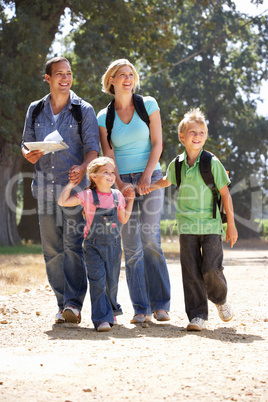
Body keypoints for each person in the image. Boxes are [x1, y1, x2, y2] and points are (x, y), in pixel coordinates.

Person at [21, 56, 100, 324]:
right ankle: (60, 302)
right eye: (59, 74)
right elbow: (25, 143)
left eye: (69, 74)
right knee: (52, 249)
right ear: (48, 78)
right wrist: (27, 154)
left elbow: (93, 149)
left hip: (73, 190)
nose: (65, 79)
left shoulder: (83, 109)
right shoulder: (35, 109)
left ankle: (73, 304)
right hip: (44, 189)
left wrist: (83, 166)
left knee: (73, 245)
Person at [149, 108, 238, 331]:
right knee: (190, 272)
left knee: (210, 268)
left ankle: (220, 300)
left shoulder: (212, 163)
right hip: (186, 226)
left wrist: (231, 226)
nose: (197, 136)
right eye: (192, 132)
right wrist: (146, 186)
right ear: (182, 136)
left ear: (205, 136)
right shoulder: (177, 164)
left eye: (201, 132)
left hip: (211, 226)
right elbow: (166, 181)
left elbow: (225, 194)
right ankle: (197, 315)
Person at [97, 59, 171, 324]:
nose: (128, 78)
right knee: (131, 247)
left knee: (150, 241)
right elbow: (108, 155)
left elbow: (157, 143)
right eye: (122, 74)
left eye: (131, 74)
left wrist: (148, 175)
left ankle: (160, 304)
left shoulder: (148, 104)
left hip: (150, 177)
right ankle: (141, 309)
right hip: (122, 182)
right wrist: (119, 185)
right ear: (112, 81)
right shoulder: (103, 117)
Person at [58, 156, 134, 331]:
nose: (111, 175)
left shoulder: (117, 195)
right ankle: (101, 320)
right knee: (98, 281)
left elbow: (123, 218)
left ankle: (110, 310)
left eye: (112, 172)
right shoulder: (87, 195)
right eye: (105, 172)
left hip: (114, 246)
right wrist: (70, 184)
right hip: (93, 246)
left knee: (111, 282)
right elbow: (63, 202)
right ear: (93, 176)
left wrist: (130, 201)